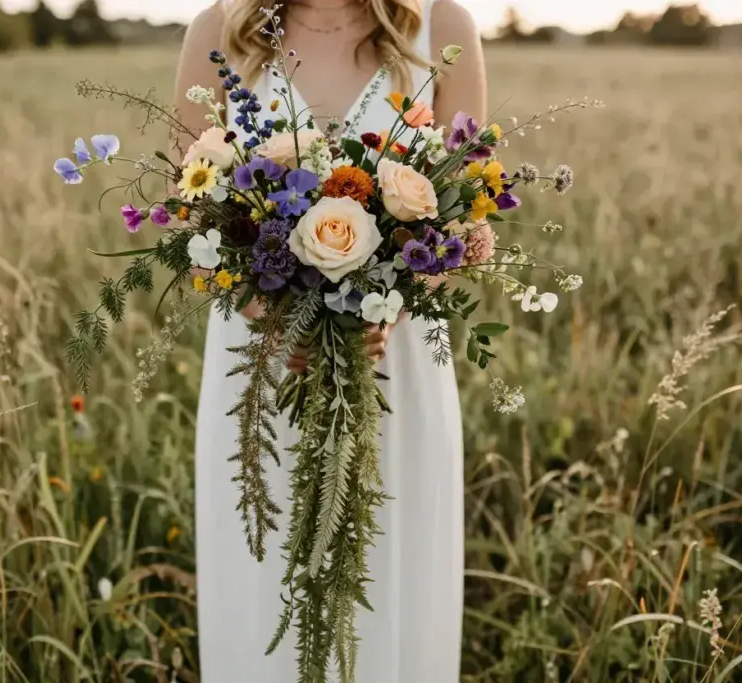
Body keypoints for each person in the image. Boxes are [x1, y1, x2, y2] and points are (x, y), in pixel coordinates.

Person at [171, 0, 486, 679]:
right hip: (257, 367)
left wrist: (389, 301)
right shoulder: (218, 33)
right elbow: (187, 215)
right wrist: (269, 311)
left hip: (390, 358)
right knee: (263, 586)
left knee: (390, 571)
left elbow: (468, 215)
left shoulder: (441, 29)